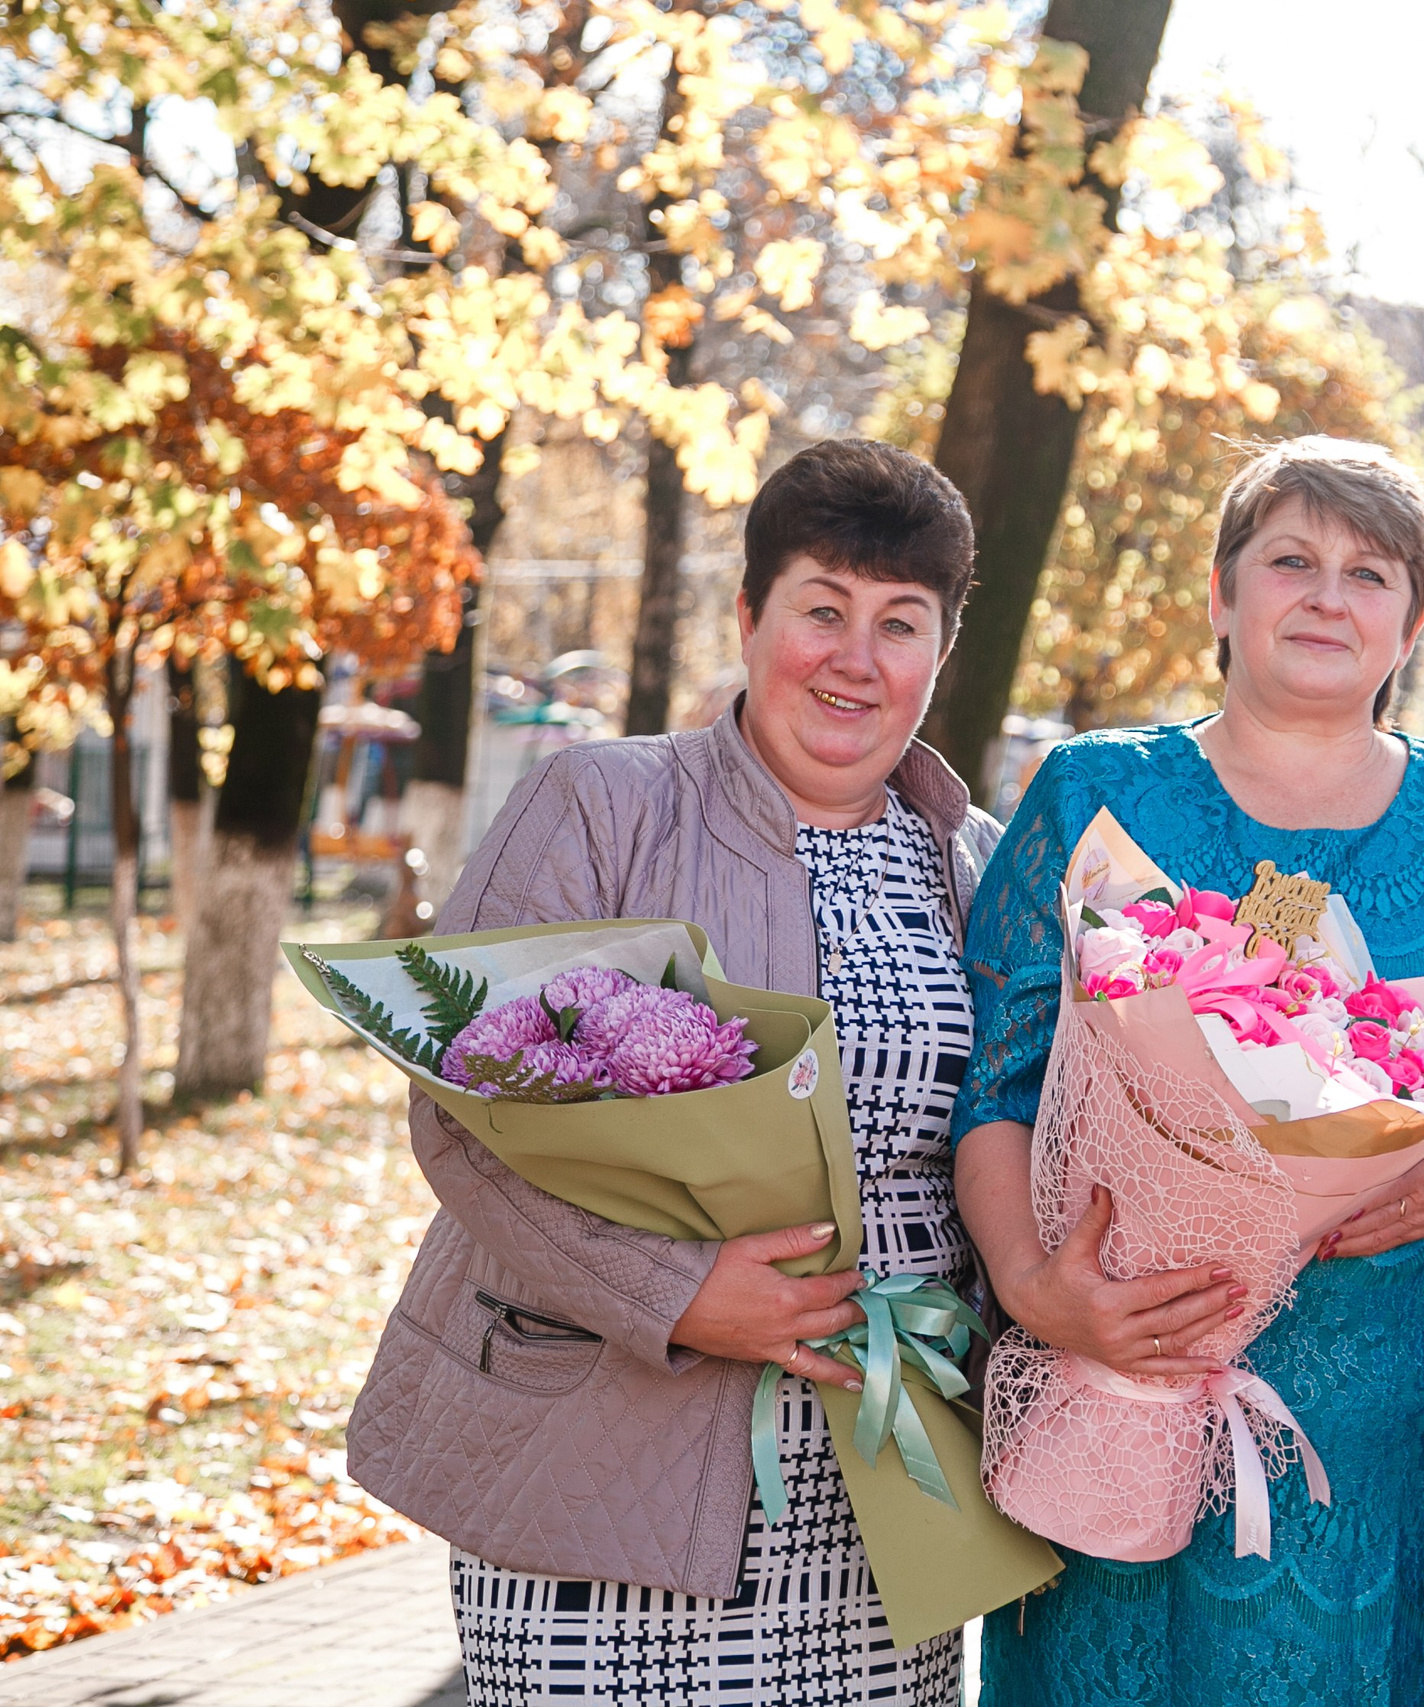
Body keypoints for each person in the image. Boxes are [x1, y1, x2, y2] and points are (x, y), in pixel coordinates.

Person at [953, 436, 1424, 1704]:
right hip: (1127, 1405)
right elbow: (998, 1088)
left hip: (1403, 1474)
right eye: (1290, 562)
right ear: (1220, 595)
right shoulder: (1097, 792)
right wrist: (1038, 1290)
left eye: (1368, 575)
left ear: (1411, 624)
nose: (1326, 597)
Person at [346, 441, 1000, 1706]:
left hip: (882, 1488)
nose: (856, 658)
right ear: (750, 616)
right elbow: (465, 1115)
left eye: (899, 624)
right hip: (604, 1460)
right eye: (822, 610)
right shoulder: (602, 805)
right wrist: (677, 1294)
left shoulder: (978, 862)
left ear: (940, 652)